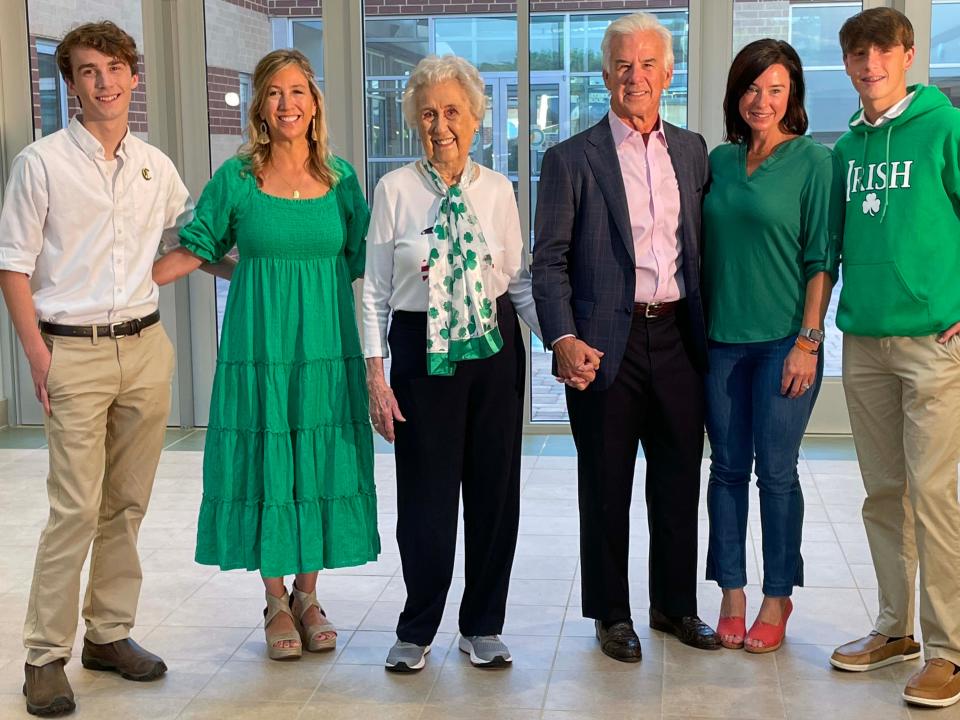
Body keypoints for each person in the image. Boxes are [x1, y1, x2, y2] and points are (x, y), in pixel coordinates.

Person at [153, 49, 379, 661]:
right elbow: (198, 248)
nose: (287, 104)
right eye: (274, 93)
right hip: (260, 348)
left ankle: (310, 596)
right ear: (260, 105)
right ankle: (276, 599)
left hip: (326, 350)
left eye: (298, 91)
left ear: (315, 102)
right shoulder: (235, 178)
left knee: (318, 457)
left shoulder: (342, 181)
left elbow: (371, 265)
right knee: (269, 455)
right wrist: (123, 284)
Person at [0, 21, 199, 717]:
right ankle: (44, 656)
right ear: (73, 83)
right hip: (71, 351)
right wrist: (38, 355)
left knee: (128, 501)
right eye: (88, 71)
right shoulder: (42, 162)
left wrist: (258, 253)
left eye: (114, 68)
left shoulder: (156, 164)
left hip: (146, 348)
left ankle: (109, 635)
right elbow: (14, 265)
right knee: (74, 509)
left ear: (133, 76)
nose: (104, 82)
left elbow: (197, 236)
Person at [532, 11, 719, 663]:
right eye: (621, 64)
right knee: (605, 485)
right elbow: (548, 259)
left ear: (668, 73)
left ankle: (674, 606)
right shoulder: (568, 159)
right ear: (605, 73)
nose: (634, 77)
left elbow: (702, 251)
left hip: (677, 340)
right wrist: (560, 336)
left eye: (647, 65)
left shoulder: (694, 152)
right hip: (604, 346)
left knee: (677, 482)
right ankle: (612, 614)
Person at [362, 54, 541, 672]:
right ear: (414, 121)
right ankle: (417, 628)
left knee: (495, 491)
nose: (441, 125)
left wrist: (561, 339)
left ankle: (483, 624)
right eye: (429, 113)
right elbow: (374, 292)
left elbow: (517, 283)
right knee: (426, 496)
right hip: (420, 349)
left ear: (476, 118)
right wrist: (375, 374)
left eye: (453, 112)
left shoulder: (497, 189)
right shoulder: (394, 190)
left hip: (492, 350)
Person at [826, 7, 960, 708]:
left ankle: (949, 651)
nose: (869, 64)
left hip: (932, 343)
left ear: (907, 56)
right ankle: (894, 629)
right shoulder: (846, 151)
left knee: (933, 494)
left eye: (883, 51)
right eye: (857, 54)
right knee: (884, 493)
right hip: (864, 341)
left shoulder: (944, 126)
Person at [702, 39, 840, 653]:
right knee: (726, 470)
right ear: (738, 93)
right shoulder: (719, 161)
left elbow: (821, 259)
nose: (763, 100)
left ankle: (777, 594)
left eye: (776, 89)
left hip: (785, 341)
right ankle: (731, 591)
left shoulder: (814, 161)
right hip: (719, 343)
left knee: (776, 475)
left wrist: (809, 342)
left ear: (793, 97)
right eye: (753, 88)